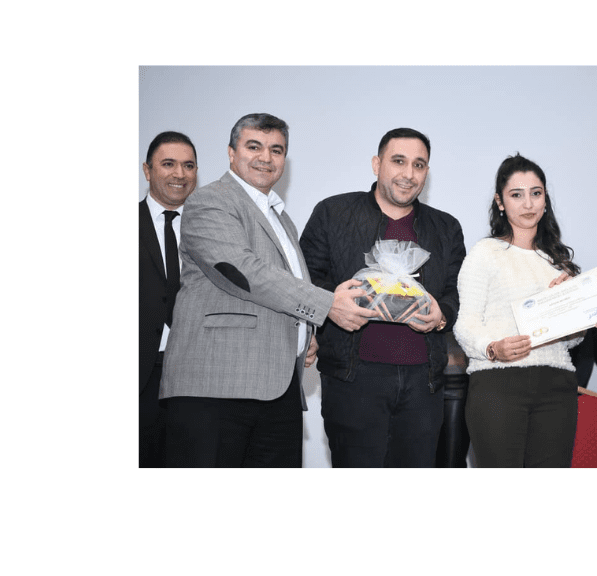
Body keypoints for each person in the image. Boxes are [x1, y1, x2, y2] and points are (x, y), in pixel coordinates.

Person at [159, 113, 377, 467]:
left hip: (277, 389)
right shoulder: (209, 201)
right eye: (254, 146)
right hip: (217, 387)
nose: (266, 157)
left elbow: (280, 292)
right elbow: (240, 271)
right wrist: (326, 305)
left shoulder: (280, 218)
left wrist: (304, 335)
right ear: (231, 153)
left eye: (276, 150)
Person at [300, 127, 466, 467]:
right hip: (353, 380)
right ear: (377, 164)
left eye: (419, 165)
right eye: (398, 161)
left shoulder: (446, 227)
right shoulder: (333, 213)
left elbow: (457, 291)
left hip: (424, 384)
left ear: (427, 172)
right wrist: (330, 303)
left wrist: (443, 314)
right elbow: (303, 278)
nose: (409, 174)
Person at [453, 154, 582, 467]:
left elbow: (573, 340)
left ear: (545, 199)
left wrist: (579, 312)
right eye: (516, 194)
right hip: (499, 383)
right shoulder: (485, 253)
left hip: (558, 384)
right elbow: (465, 324)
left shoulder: (560, 263)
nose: (528, 204)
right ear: (500, 202)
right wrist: (493, 348)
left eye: (536, 193)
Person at [139, 131, 198, 467]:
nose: (180, 174)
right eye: (168, 164)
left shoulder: (211, 229)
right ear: (147, 170)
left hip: (195, 376)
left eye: (188, 166)